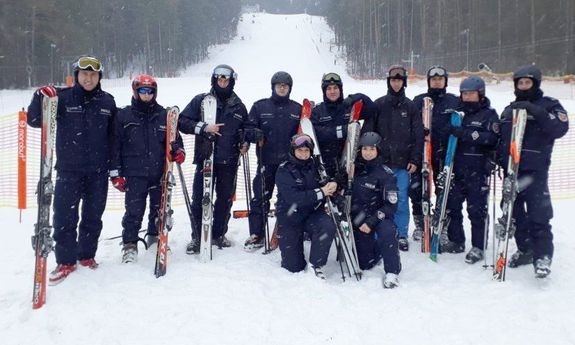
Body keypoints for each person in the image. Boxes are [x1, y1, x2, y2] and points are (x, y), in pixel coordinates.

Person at [27, 56, 117, 284]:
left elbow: (114, 139)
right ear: (77, 76)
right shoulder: (62, 99)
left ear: (99, 77)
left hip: (98, 172)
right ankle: (65, 261)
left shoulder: (107, 102)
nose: (89, 78)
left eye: (93, 75)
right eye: (84, 74)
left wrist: (115, 169)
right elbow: (35, 119)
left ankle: (86, 256)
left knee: (93, 217)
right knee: (65, 218)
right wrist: (40, 97)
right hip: (69, 170)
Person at [498, 65, 569, 278]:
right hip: (513, 171)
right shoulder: (510, 108)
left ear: (535, 84)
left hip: (536, 172)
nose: (523, 86)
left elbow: (559, 129)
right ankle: (526, 249)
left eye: (527, 83)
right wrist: (498, 158)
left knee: (539, 215)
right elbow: (502, 138)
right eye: (520, 83)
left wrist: (537, 112)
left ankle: (543, 256)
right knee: (515, 214)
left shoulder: (550, 105)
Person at [110, 74, 185, 263]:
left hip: (159, 173)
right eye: (142, 91)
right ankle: (130, 244)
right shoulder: (124, 116)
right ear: (135, 92)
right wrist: (115, 173)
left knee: (159, 209)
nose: (146, 95)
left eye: (150, 91)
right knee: (134, 211)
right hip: (134, 173)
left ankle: (155, 238)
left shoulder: (164, 115)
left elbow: (176, 140)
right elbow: (114, 147)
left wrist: (178, 151)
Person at [178, 64, 249, 253]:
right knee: (200, 198)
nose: (222, 83)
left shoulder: (239, 106)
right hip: (205, 157)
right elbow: (182, 122)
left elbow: (246, 129)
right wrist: (203, 127)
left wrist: (245, 143)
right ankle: (197, 236)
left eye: (226, 80)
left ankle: (218, 234)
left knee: (225, 199)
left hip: (229, 160)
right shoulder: (201, 101)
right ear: (214, 80)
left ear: (231, 81)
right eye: (219, 79)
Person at [362, 65, 423, 252]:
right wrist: (369, 157)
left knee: (401, 199)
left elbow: (418, 134)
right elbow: (368, 133)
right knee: (379, 199)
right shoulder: (379, 104)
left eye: (399, 80)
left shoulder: (411, 106)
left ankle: (401, 233)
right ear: (389, 82)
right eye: (393, 80)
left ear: (403, 83)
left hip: (403, 164)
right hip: (381, 164)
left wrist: (415, 158)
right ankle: (381, 231)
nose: (396, 83)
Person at [439, 76, 499, 263]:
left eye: (471, 93)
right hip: (457, 169)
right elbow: (445, 137)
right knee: (453, 207)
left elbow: (493, 138)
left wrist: (467, 134)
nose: (467, 97)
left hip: (477, 170)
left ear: (480, 94)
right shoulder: (457, 113)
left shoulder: (488, 115)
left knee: (476, 211)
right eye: (464, 93)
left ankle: (478, 246)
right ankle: (457, 241)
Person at [243, 71, 302, 251]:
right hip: (266, 161)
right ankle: (257, 234)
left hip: (289, 165)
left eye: (285, 86)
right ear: (273, 87)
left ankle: (285, 231)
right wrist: (255, 134)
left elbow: (304, 133)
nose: (282, 88)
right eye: (279, 85)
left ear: (289, 88)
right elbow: (247, 128)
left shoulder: (297, 109)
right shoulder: (260, 107)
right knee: (260, 198)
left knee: (287, 200)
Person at [275, 134, 336, 279]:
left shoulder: (317, 166)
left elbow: (327, 182)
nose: (303, 154)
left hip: (312, 213)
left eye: (306, 151)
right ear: (293, 150)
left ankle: (317, 264)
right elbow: (293, 198)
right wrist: (320, 192)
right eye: (300, 150)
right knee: (293, 267)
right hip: (290, 216)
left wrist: (333, 184)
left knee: (327, 226)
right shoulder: (284, 169)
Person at [410, 66, 461, 241]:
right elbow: (410, 124)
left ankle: (442, 224)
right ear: (429, 81)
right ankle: (420, 223)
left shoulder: (454, 101)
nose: (437, 82)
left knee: (445, 190)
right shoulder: (419, 101)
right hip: (423, 152)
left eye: (440, 79)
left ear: (445, 81)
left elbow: (464, 119)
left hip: (445, 153)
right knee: (417, 189)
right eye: (434, 79)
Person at [350, 132, 401, 288]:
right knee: (366, 264)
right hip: (358, 218)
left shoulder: (386, 174)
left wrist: (372, 221)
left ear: (378, 150)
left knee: (387, 230)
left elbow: (391, 205)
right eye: (364, 149)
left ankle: (392, 272)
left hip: (379, 217)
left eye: (372, 149)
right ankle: (376, 251)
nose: (368, 152)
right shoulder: (353, 170)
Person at [310, 72, 375, 179]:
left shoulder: (348, 108)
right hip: (325, 163)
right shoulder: (318, 111)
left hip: (348, 161)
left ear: (340, 90)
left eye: (335, 88)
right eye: (329, 88)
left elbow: (372, 109)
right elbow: (316, 133)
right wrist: (342, 131)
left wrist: (356, 97)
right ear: (324, 91)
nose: (332, 91)